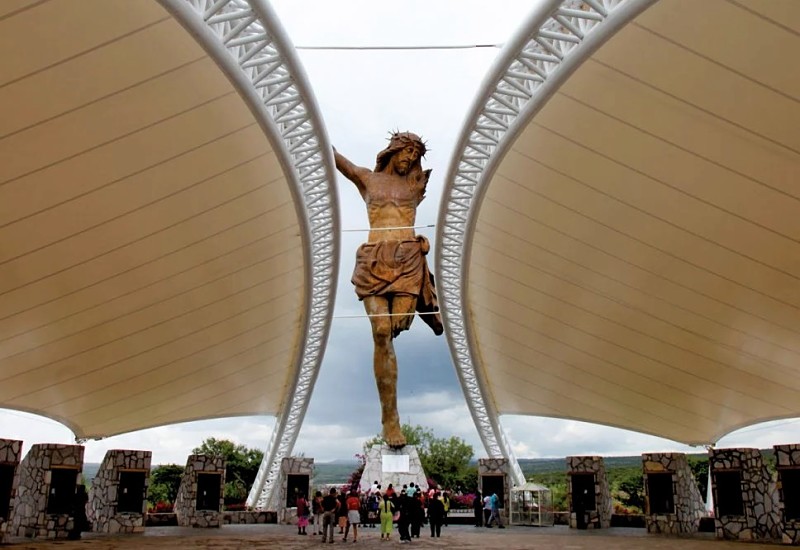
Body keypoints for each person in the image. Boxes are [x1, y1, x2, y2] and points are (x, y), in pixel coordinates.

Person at [334, 133, 443, 448]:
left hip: (408, 261)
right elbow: (337, 160)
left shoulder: (414, 185)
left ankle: (426, 309)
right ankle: (390, 420)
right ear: (393, 150)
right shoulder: (368, 179)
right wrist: (312, 136)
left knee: (399, 323)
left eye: (415, 155)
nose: (410, 158)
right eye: (406, 151)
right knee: (381, 332)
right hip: (374, 260)